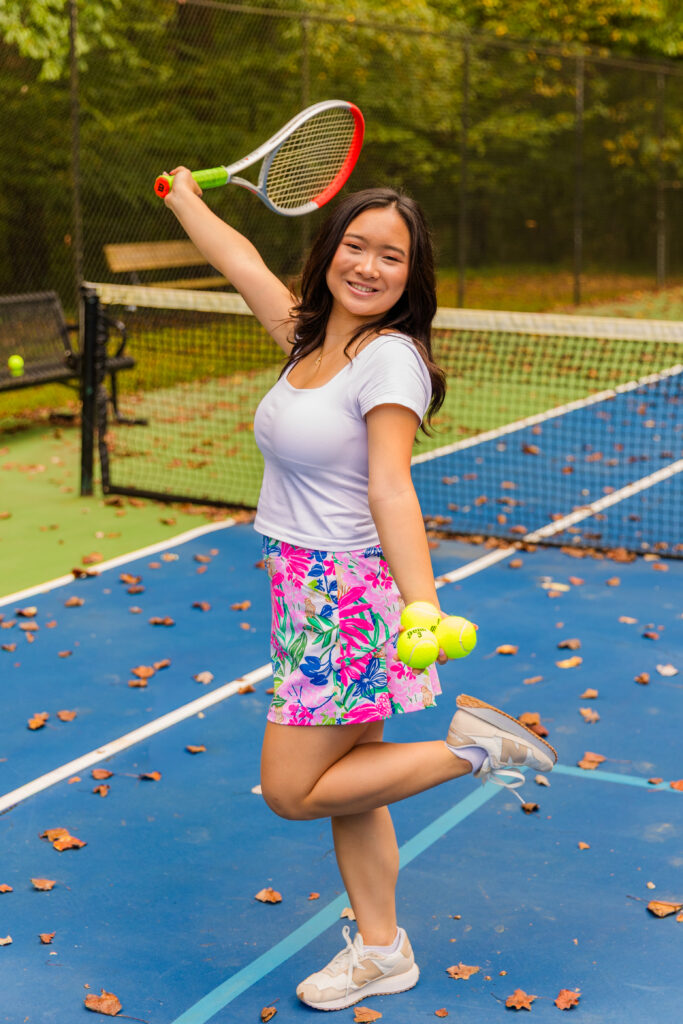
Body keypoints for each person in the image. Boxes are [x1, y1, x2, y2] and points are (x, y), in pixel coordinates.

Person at [163, 173, 557, 1012]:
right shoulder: (312, 339)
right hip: (305, 589)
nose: (369, 266)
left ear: (411, 276)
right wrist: (183, 197)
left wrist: (421, 602)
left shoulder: (389, 360)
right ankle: (383, 950)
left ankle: (479, 750)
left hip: (347, 597)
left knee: (291, 790)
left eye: (392, 256)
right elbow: (239, 262)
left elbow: (390, 488)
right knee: (356, 784)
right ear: (329, 250)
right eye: (356, 245)